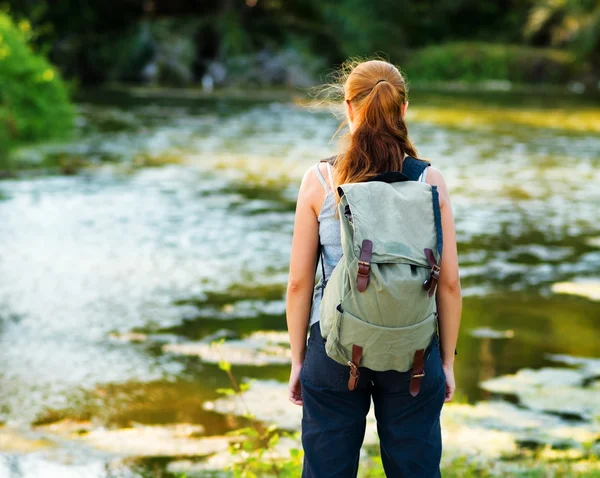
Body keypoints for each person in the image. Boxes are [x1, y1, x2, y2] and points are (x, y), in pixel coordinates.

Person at [285, 59, 462, 477]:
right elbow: (449, 284)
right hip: (414, 352)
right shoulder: (429, 182)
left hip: (334, 347)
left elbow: (298, 283)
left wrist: (298, 361)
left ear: (349, 108)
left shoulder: (321, 181)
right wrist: (447, 363)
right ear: (402, 110)